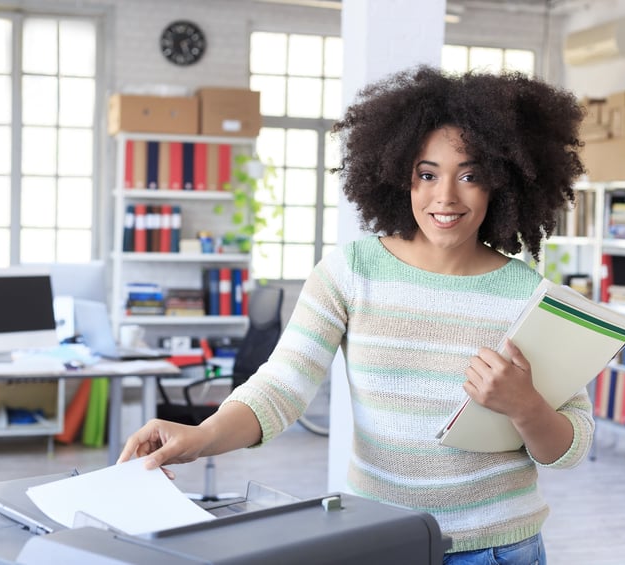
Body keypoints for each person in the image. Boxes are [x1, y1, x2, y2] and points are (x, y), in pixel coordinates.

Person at [119, 65, 593, 564]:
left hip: (500, 548)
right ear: (397, 176)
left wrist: (526, 406)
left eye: (470, 176)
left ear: (503, 182)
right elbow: (280, 387)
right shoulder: (350, 272)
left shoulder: (530, 296)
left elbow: (572, 444)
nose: (445, 197)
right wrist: (200, 437)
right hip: (379, 538)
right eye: (426, 174)